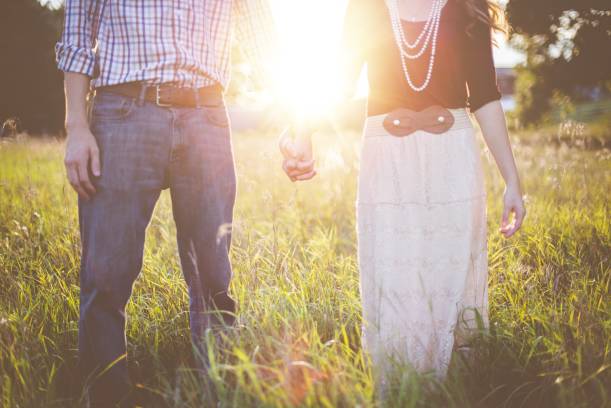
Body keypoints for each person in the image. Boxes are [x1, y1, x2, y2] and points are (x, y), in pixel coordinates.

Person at [281, 0, 526, 387]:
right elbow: (338, 80)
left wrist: (512, 180)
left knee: (449, 270)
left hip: (453, 158)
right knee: (395, 274)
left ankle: (455, 387)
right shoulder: (365, 7)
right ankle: (399, 386)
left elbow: (484, 94)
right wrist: (301, 131)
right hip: (386, 159)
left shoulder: (468, 7)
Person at [56, 1, 276, 406]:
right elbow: (77, 31)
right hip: (123, 111)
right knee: (105, 275)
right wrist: (76, 126)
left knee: (212, 276)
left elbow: (264, 38)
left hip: (206, 115)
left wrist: (296, 119)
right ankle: (106, 398)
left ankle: (217, 394)